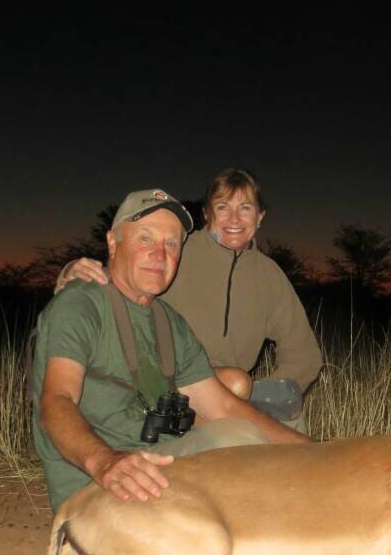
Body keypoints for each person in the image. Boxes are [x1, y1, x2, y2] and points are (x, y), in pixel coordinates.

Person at [33, 188, 310, 511]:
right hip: (102, 486)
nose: (160, 254)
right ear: (112, 242)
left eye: (171, 243)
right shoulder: (81, 303)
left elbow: (224, 408)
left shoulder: (169, 321)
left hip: (163, 463)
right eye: (145, 239)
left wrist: (312, 452)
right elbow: (56, 402)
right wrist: (105, 462)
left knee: (238, 435)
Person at [56, 168, 322, 428]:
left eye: (245, 208)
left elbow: (304, 354)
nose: (234, 219)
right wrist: (72, 272)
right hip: (167, 383)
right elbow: (125, 277)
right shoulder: (177, 249)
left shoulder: (270, 276)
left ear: (260, 216)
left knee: (286, 414)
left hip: (230, 391)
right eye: (222, 207)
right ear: (207, 214)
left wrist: (269, 397)